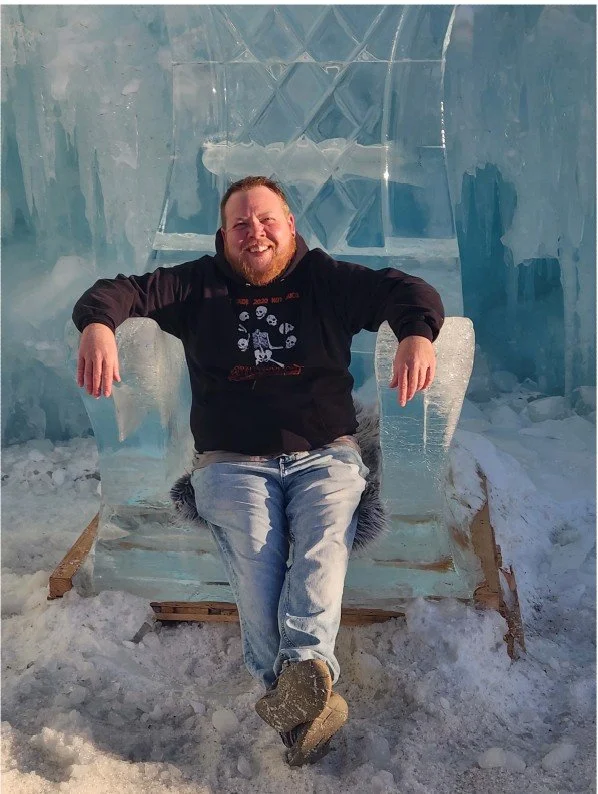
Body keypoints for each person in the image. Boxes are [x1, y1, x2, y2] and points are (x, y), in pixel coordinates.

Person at [73, 175, 444, 766]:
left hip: (325, 453)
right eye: (241, 224)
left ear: (290, 226)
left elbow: (407, 291)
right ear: (224, 236)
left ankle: (295, 688)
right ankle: (308, 688)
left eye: (267, 220)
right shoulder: (196, 285)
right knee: (256, 556)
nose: (256, 232)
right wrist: (97, 325)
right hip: (230, 462)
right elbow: (119, 292)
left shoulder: (327, 280)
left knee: (322, 540)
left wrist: (417, 336)